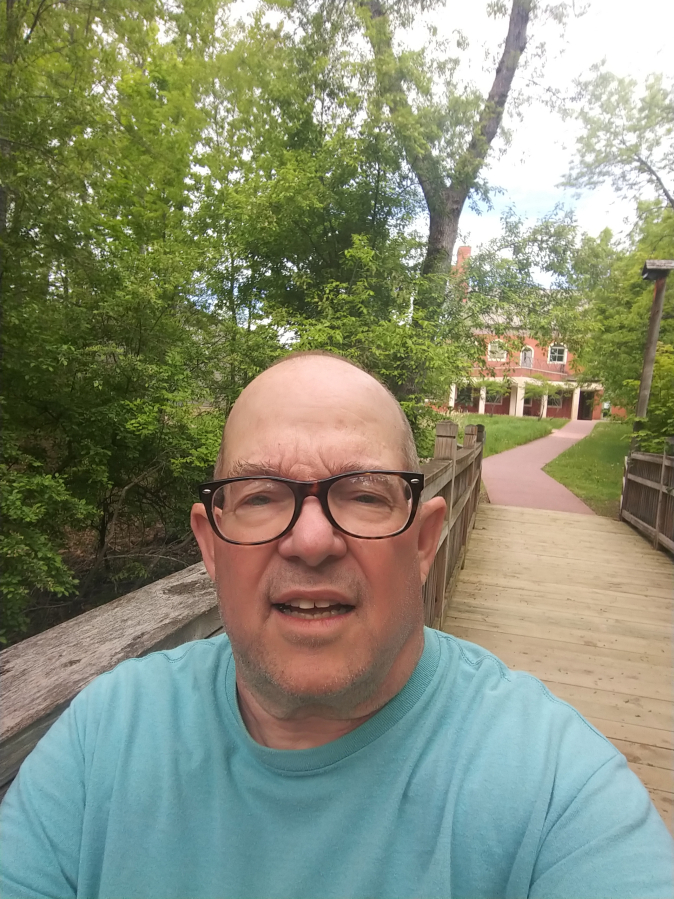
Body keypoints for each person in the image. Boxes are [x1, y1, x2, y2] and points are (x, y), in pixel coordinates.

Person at [0, 351, 672, 899]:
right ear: (210, 543)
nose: (312, 540)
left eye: (363, 492)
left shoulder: (554, 787)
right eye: (262, 495)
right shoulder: (102, 740)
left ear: (422, 539)